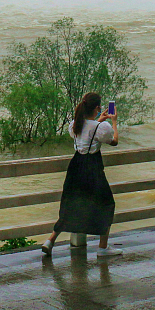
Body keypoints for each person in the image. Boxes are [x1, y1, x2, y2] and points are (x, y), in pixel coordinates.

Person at [42, 92, 120, 257]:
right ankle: (102, 248)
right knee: (106, 204)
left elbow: (87, 131)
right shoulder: (101, 128)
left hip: (75, 168)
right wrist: (113, 121)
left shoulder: (75, 125)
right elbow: (114, 141)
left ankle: (50, 240)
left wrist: (99, 119)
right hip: (92, 170)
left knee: (71, 204)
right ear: (98, 108)